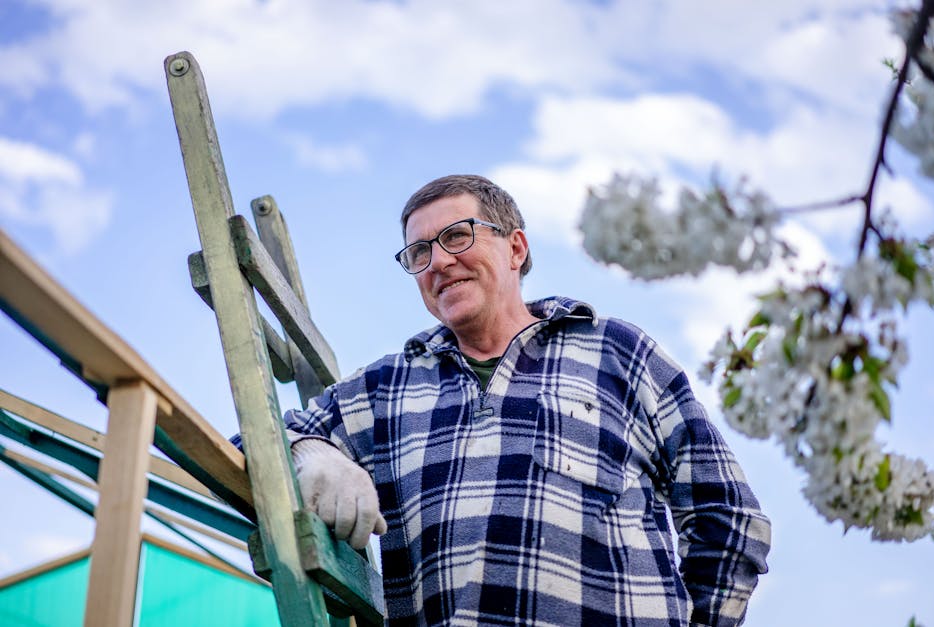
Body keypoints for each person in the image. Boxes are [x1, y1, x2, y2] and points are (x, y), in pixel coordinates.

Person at [277, 174, 771, 626]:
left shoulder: (619, 354)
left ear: (516, 248)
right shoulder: (388, 388)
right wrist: (312, 454)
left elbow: (728, 518)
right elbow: (262, 438)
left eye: (456, 236)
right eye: (420, 253)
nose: (440, 262)